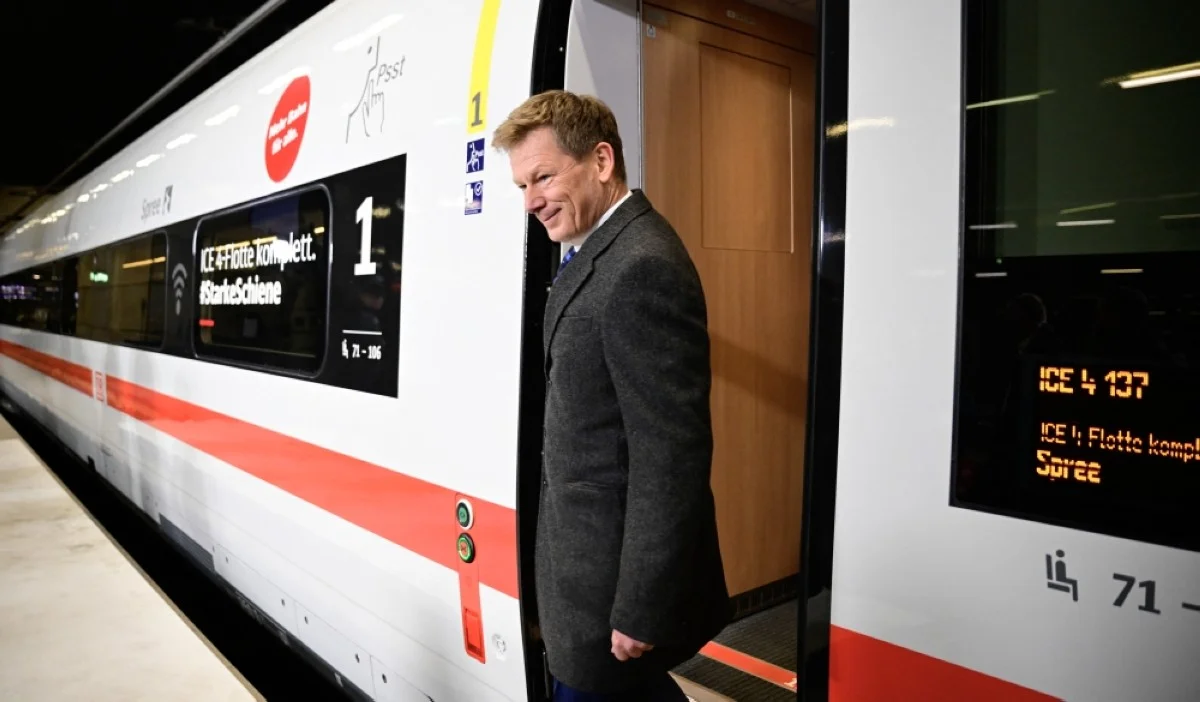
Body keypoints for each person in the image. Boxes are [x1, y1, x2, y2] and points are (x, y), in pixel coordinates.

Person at [491, 90, 730, 700]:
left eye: (543, 177)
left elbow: (670, 452)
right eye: (522, 186)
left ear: (601, 161)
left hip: (609, 593)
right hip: (585, 578)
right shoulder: (595, 253)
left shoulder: (640, 266)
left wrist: (642, 604)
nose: (531, 202)